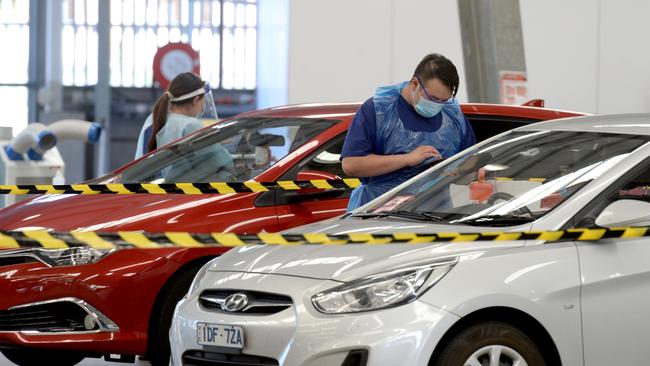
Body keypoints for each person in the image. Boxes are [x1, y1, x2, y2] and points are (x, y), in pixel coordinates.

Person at [341, 53, 476, 211]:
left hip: (437, 216)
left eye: (443, 101)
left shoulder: (453, 117)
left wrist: (456, 170)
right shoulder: (379, 111)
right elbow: (351, 164)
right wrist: (407, 159)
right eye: (432, 98)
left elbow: (470, 164)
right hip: (379, 213)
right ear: (414, 84)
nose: (437, 105)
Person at [134, 72, 219, 159]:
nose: (202, 109)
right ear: (196, 100)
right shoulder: (189, 125)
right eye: (203, 101)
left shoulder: (155, 117)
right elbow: (216, 160)